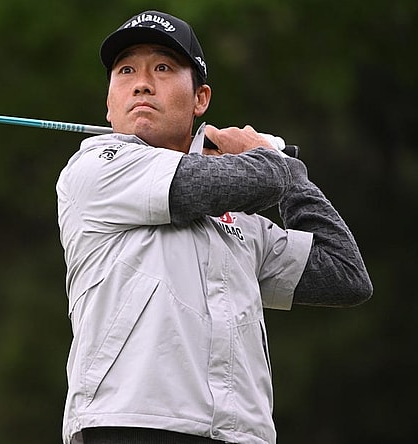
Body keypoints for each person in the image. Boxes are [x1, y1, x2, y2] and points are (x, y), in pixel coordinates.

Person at [56, 10, 373, 444]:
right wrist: (269, 157)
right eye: (126, 70)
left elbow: (346, 275)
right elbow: (243, 180)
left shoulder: (239, 216)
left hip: (241, 435)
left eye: (163, 68)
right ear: (109, 103)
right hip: (131, 424)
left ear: (200, 98)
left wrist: (289, 176)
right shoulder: (96, 168)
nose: (142, 82)